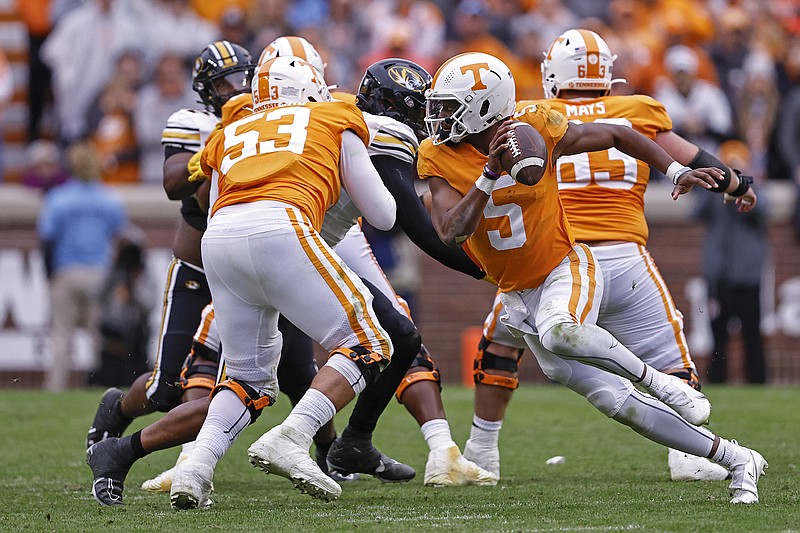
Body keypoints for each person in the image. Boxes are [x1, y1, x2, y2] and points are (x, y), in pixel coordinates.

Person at [418, 51, 767, 504]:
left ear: (485, 106)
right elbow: (451, 231)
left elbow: (620, 133)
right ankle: (738, 458)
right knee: (612, 402)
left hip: (567, 265)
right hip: (516, 293)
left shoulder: (538, 124)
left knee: (561, 330)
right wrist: (488, 176)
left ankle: (661, 384)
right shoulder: (437, 154)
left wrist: (677, 170)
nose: (439, 117)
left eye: (451, 107)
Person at [85, 41, 345, 506]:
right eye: (223, 82)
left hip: (259, 263)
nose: (234, 88)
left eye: (241, 78)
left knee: (296, 371)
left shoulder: (271, 118)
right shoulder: (199, 123)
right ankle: (120, 411)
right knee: (169, 389)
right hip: (199, 268)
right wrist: (222, 142)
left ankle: (332, 452)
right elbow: (174, 186)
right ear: (205, 89)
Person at [166, 55, 397, 508]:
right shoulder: (332, 116)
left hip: (220, 241)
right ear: (312, 87)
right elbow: (384, 215)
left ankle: (193, 468)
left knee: (247, 377)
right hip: (282, 226)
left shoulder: (228, 131)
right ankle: (293, 435)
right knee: (371, 343)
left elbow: (213, 208)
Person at [37, 141, 127, 391]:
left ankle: (56, 387)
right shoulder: (109, 199)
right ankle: (102, 387)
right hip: (99, 273)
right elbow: (120, 239)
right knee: (100, 337)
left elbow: (47, 239)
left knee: (61, 336)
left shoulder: (58, 198)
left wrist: (49, 274)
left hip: (66, 271)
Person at [696, 140, 769, 384]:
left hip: (747, 275)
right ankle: (716, 382)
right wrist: (718, 183)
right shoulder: (712, 191)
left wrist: (742, 184)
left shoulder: (756, 185)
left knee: (752, 335)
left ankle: (758, 383)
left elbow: (764, 210)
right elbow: (695, 211)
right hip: (719, 275)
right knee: (718, 337)